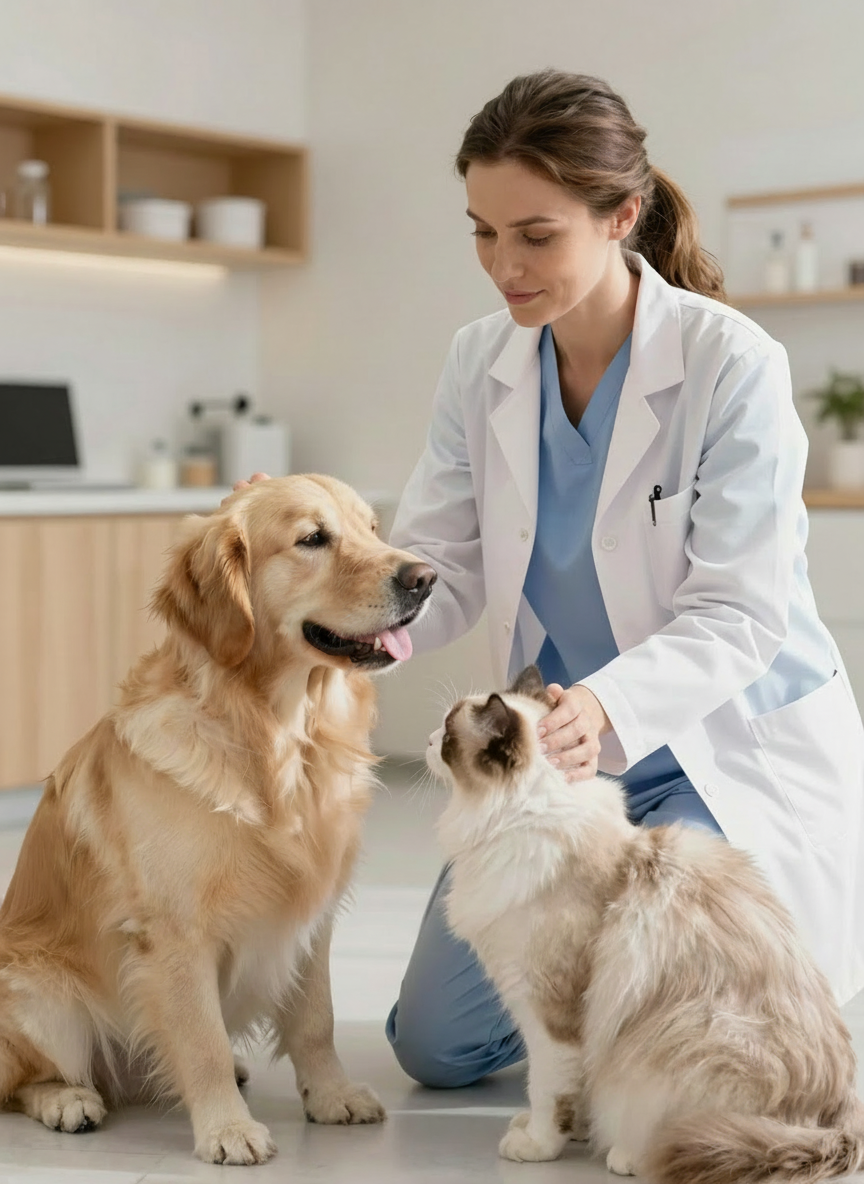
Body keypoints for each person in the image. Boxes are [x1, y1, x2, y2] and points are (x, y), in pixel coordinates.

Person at [236, 70, 864, 1090]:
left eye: (535, 234)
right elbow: (440, 567)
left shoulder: (729, 363)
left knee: (675, 1034)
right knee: (436, 1047)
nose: (503, 265)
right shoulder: (479, 361)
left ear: (621, 215)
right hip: (555, 759)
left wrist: (607, 706)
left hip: (713, 744)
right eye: (483, 232)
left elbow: (737, 613)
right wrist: (315, 571)